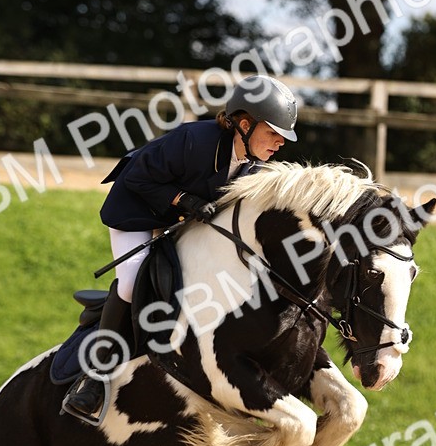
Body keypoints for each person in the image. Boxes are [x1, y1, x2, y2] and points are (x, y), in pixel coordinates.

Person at [62, 73, 299, 424]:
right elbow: (137, 178)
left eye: (283, 136)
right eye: (274, 132)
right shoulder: (193, 139)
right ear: (244, 124)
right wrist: (184, 199)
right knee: (131, 282)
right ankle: (94, 377)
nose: (280, 142)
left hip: (180, 220)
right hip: (137, 210)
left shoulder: (254, 165)